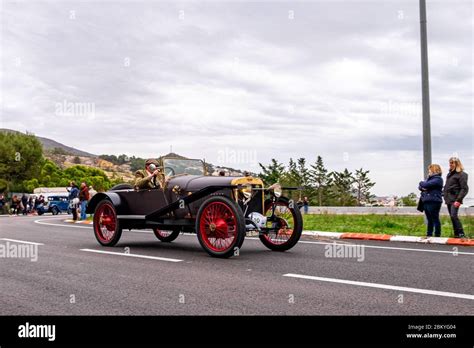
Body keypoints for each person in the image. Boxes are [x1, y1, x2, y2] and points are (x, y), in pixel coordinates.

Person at [443, 157, 469, 238]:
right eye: (450, 163)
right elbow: (447, 186)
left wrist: (459, 200)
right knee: (452, 217)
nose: (450, 165)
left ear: (457, 164)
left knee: (454, 216)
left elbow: (464, 188)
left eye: (452, 163)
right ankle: (456, 234)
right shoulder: (449, 174)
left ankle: (461, 234)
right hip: (448, 199)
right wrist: (443, 193)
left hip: (456, 199)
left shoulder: (462, 174)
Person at [418, 164, 444, 237]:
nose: (428, 171)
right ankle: (429, 234)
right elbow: (421, 187)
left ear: (434, 170)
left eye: (430, 169)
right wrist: (424, 185)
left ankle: (437, 235)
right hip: (426, 200)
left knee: (435, 218)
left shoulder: (438, 179)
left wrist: (422, 183)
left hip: (434, 201)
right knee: (429, 219)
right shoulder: (429, 179)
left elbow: (424, 185)